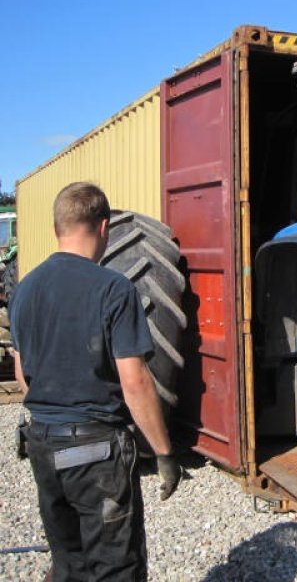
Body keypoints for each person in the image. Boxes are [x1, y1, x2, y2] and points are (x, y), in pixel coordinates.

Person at [10, 182, 181, 582]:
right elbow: (135, 382)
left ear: (58, 227)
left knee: (69, 563)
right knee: (115, 568)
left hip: (43, 447)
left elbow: (23, 376)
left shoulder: (25, 289)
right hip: (97, 454)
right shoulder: (113, 289)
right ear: (104, 227)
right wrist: (163, 452)